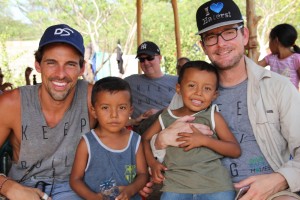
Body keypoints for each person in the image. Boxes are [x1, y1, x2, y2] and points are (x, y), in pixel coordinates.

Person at [152, 0, 300, 199]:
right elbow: (158, 141)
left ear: (244, 35)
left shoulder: (278, 87)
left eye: (229, 32)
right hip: (197, 190)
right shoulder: (190, 93)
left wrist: (279, 180)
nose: (221, 43)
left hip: (267, 192)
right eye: (211, 37)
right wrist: (159, 141)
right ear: (203, 46)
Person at [142, 61, 241, 199]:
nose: (198, 93)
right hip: (176, 188)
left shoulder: (213, 116)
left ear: (214, 95)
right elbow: (145, 139)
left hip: (216, 187)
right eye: (192, 86)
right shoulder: (166, 117)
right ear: (179, 88)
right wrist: (152, 163)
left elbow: (235, 150)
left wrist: (205, 141)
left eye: (207, 88)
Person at [70, 77, 148, 200]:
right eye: (105, 108)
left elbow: (143, 174)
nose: (114, 115)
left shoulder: (135, 140)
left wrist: (130, 190)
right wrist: (94, 198)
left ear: (130, 111)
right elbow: (75, 179)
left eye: (121, 107)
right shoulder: (88, 142)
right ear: (94, 111)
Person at [124, 41, 177, 134]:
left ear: (160, 58)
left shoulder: (176, 81)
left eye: (150, 58)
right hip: (142, 131)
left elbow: (188, 107)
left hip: (171, 127)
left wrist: (160, 112)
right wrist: (132, 121)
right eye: (142, 59)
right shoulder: (130, 82)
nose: (146, 62)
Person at [258, 23, 300, 90]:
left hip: (290, 99)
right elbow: (254, 66)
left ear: (276, 41)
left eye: (270, 40)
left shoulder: (296, 59)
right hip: (274, 98)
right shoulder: (271, 58)